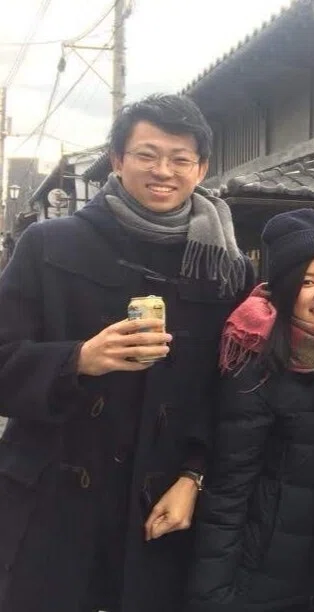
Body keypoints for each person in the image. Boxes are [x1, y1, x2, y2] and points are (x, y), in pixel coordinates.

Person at [0, 93, 253, 612]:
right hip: (52, 503)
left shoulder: (226, 267)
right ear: (117, 159)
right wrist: (76, 361)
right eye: (147, 154)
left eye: (181, 159)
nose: (164, 171)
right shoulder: (48, 244)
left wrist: (194, 476)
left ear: (201, 168)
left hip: (160, 508)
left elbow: (231, 393)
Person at [187, 208, 314, 611]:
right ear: (282, 289)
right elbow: (228, 487)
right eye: (306, 282)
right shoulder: (254, 358)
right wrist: (211, 593)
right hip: (254, 571)